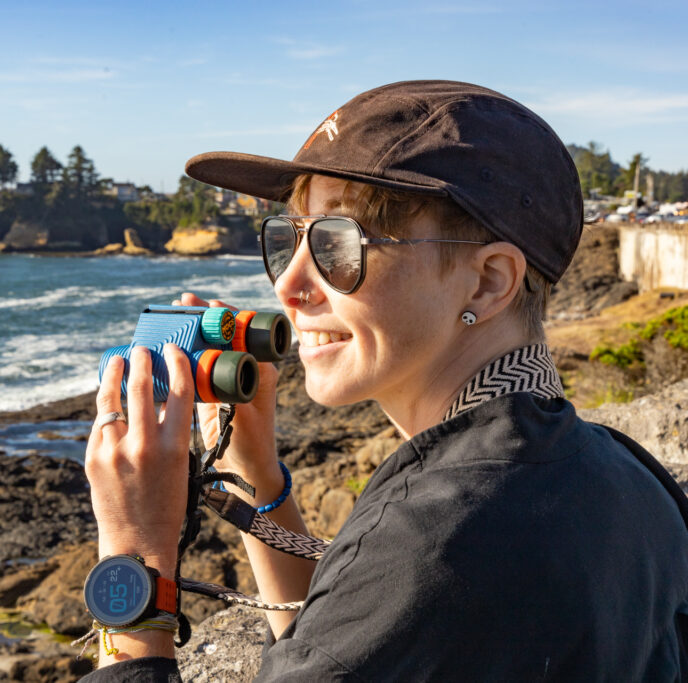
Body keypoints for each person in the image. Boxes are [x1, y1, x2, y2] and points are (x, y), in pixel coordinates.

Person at [81, 80, 688, 680]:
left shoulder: (431, 544)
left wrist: (134, 555)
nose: (288, 287)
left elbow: (382, 617)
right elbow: (340, 651)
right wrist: (257, 475)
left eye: (337, 245)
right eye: (287, 241)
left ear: (488, 282)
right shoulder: (623, 474)